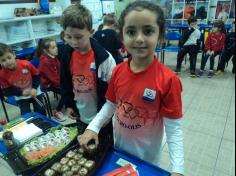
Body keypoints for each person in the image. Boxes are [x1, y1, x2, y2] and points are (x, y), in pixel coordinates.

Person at [78, 1, 184, 176]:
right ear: (122, 37)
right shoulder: (118, 71)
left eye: (148, 31)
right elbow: (110, 105)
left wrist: (178, 169)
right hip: (120, 150)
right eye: (131, 32)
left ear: (160, 36)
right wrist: (93, 127)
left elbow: (174, 129)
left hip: (147, 159)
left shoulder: (169, 80)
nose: (139, 38)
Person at [59, 4, 116, 129]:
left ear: (91, 32)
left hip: (103, 120)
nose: (73, 42)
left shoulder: (105, 59)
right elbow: (65, 83)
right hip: (80, 116)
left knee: (104, 147)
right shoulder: (66, 55)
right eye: (68, 36)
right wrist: (68, 105)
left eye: (79, 37)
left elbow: (113, 93)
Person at [0, 43, 46, 115]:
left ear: (14, 55)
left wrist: (34, 88)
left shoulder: (26, 64)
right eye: (3, 60)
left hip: (34, 91)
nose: (8, 62)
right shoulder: (2, 74)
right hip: (20, 96)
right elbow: (7, 91)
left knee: (41, 110)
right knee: (26, 115)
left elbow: (37, 76)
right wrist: (21, 92)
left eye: (9, 58)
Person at [37, 38, 66, 122]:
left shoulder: (53, 57)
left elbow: (60, 70)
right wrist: (63, 85)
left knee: (70, 88)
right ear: (46, 51)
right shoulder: (45, 61)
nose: (56, 48)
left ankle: (70, 105)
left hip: (55, 81)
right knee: (66, 92)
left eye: (56, 46)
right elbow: (52, 78)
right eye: (53, 47)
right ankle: (57, 111)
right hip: (48, 84)